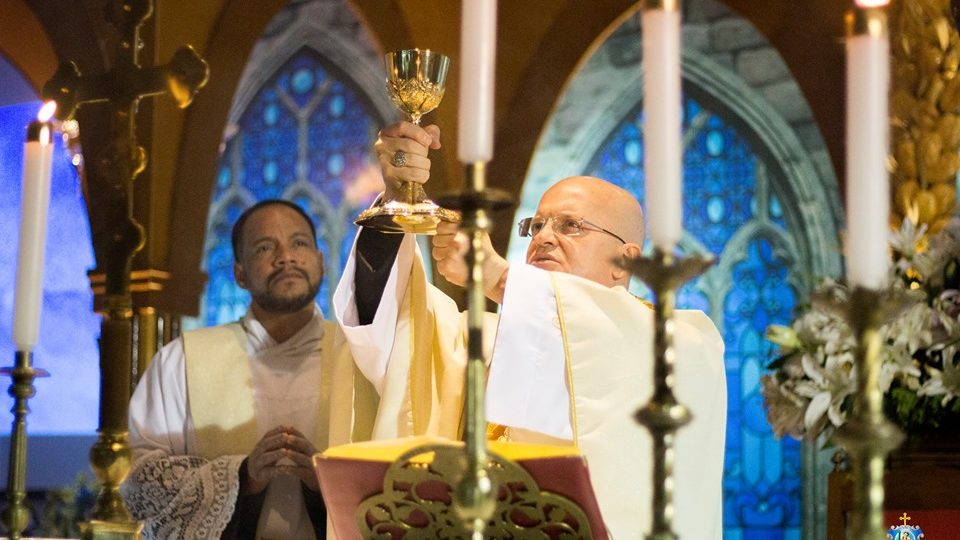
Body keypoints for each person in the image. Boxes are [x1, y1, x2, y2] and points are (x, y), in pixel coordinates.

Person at [333, 121, 727, 539]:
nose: (544, 238)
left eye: (570, 226)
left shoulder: (681, 343)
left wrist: (499, 277)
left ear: (624, 261)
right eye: (535, 226)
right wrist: (397, 204)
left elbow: (614, 346)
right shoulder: (480, 338)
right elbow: (394, 336)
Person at [122, 199, 461, 539]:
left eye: (299, 243)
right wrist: (241, 476)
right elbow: (139, 480)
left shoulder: (362, 356)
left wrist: (324, 483)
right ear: (239, 272)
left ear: (321, 261)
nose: (286, 256)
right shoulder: (180, 360)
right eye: (264, 247)